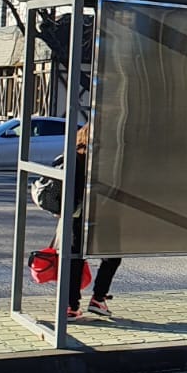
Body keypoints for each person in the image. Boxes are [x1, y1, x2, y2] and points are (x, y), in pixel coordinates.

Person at [64, 123, 120, 319]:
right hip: (103, 214)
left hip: (76, 216)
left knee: (75, 258)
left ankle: (71, 305)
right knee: (112, 256)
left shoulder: (74, 156)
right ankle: (98, 297)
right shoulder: (104, 159)